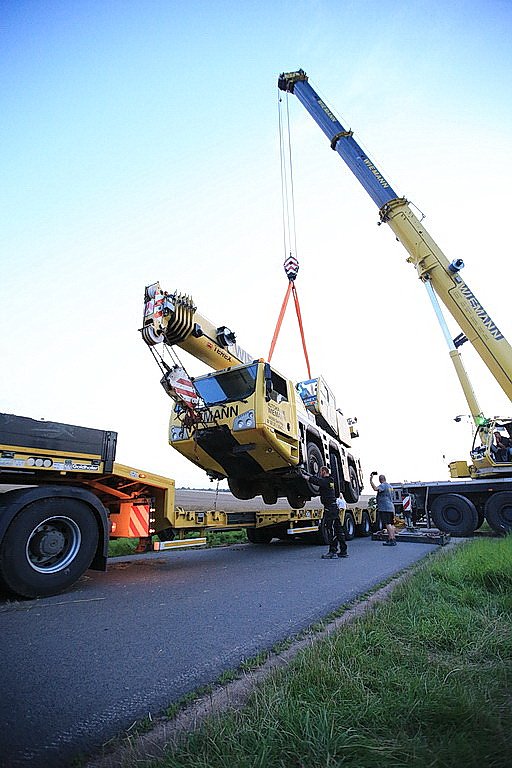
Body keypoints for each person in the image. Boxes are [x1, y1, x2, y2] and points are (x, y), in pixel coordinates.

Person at [314, 466, 348, 559]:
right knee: (338, 529)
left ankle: (333, 551)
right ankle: (343, 551)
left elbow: (316, 481)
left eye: (320, 472)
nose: (319, 474)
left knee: (330, 529)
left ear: (324, 471)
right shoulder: (331, 481)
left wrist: (306, 477)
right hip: (334, 508)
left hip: (329, 508)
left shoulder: (326, 481)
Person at [370, 471, 397, 546]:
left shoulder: (383, 485)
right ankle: (392, 538)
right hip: (391, 507)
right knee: (391, 524)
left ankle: (391, 540)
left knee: (387, 524)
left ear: (380, 480)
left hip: (385, 508)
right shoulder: (390, 486)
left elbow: (375, 488)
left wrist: (371, 480)